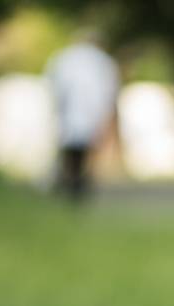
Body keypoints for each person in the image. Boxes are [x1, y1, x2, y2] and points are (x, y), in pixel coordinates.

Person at [44, 29, 119, 202]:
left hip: (72, 114)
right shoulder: (102, 62)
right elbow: (108, 91)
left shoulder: (65, 59)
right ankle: (77, 186)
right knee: (85, 154)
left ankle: (72, 185)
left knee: (72, 153)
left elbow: (55, 85)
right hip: (91, 114)